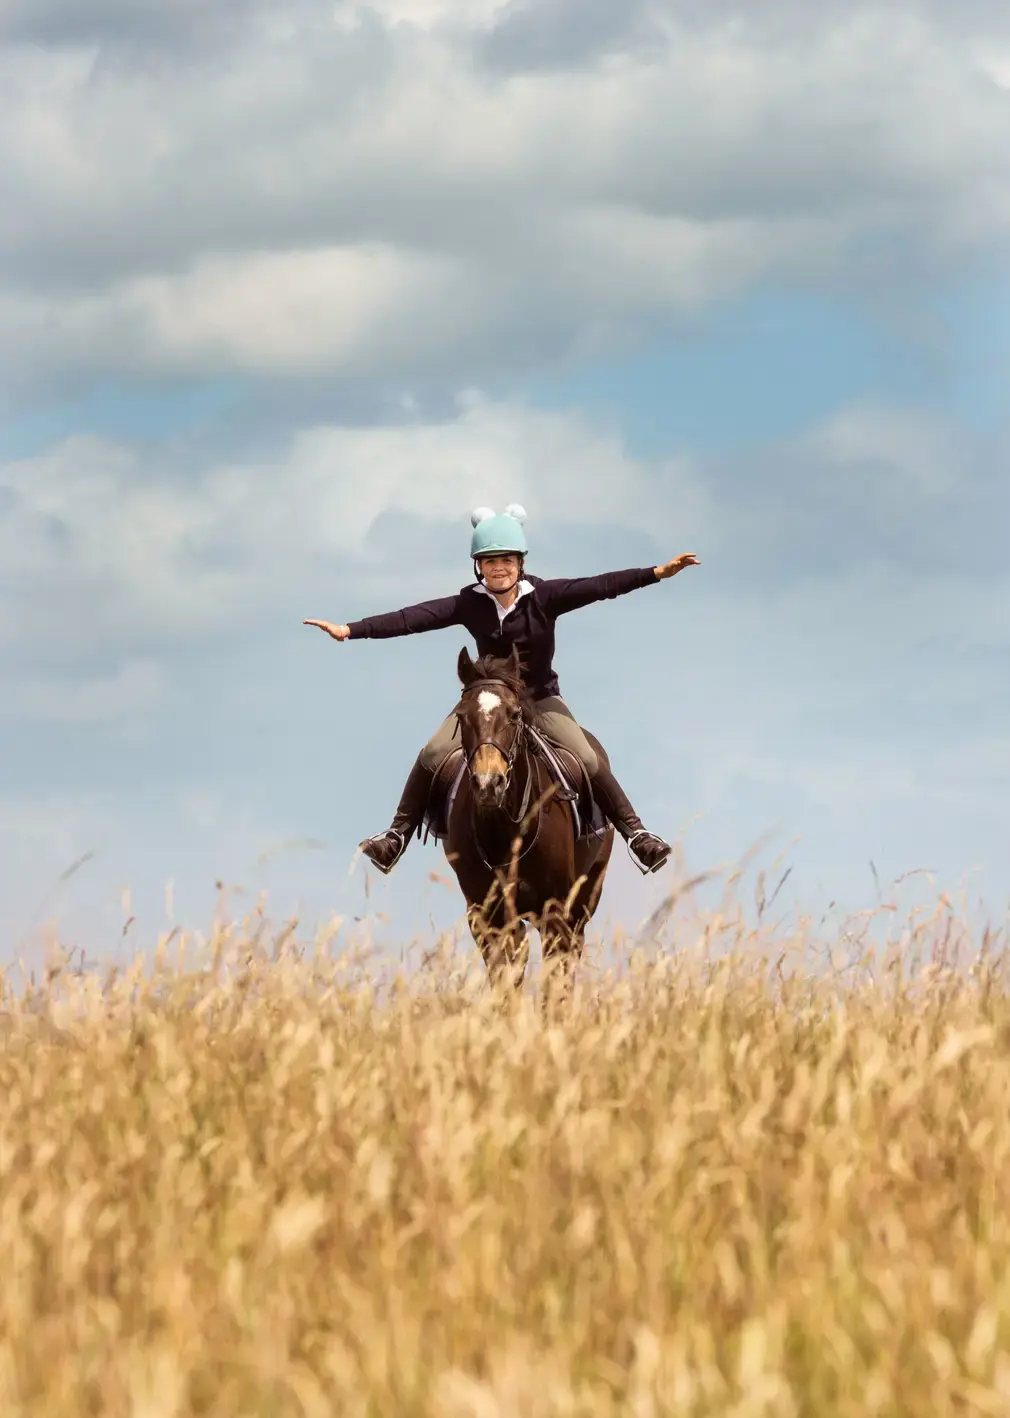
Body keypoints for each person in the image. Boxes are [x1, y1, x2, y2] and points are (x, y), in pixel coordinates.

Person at [304, 505, 700, 875]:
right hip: (487, 701)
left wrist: (656, 573)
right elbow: (411, 618)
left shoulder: (546, 596)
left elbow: (600, 586)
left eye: (507, 560)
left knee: (584, 753)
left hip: (541, 698)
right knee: (432, 753)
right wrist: (350, 630)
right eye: (491, 561)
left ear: (520, 563)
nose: (499, 569)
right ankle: (395, 837)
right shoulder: (469, 603)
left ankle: (637, 834)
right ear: (479, 566)